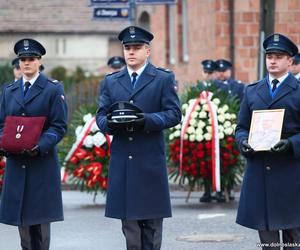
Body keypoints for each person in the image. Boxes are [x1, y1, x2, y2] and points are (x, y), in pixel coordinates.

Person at [96, 26, 181, 250]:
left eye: (136, 48)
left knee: (152, 225)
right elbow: (101, 117)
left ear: (147, 51)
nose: (131, 52)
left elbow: (174, 114)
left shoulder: (162, 78)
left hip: (149, 159)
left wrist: (146, 120)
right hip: (124, 160)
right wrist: (111, 124)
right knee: (130, 226)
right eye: (127, 48)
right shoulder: (112, 81)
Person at [0, 38, 68, 250]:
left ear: (39, 61)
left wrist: (40, 145)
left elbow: (58, 126)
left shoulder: (52, 89)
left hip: (41, 162)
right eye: (22, 59)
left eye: (31, 59)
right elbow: (2, 123)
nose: (26, 63)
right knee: (22, 224)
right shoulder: (8, 89)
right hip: (16, 162)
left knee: (39, 224)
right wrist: (4, 142)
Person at [235, 33, 300, 249]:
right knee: (268, 241)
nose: (272, 60)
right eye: (269, 56)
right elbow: (241, 127)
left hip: (291, 173)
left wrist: (292, 144)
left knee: (294, 239)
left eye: (279, 56)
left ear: (290, 61)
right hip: (261, 171)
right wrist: (243, 142)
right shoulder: (253, 90)